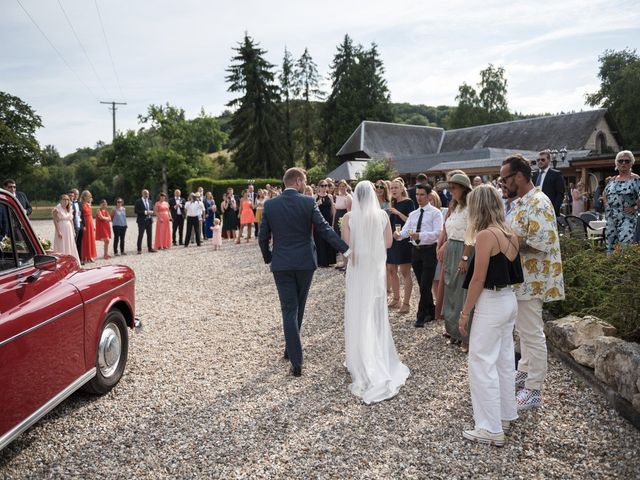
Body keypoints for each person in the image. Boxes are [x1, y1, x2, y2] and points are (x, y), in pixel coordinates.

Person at [258, 168, 350, 377]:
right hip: (305, 263)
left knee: (289, 309)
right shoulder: (308, 202)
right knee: (297, 307)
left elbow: (262, 237)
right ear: (298, 181)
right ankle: (296, 361)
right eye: (306, 181)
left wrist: (269, 257)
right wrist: (347, 249)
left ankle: (291, 350)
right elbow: (325, 229)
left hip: (282, 264)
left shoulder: (270, 205)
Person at [458, 185, 524, 447]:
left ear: (478, 207)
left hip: (492, 301)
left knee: (481, 362)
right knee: (504, 360)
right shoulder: (510, 233)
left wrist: (465, 312)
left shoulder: (486, 235)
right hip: (509, 300)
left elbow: (478, 278)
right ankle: (505, 414)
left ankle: (489, 427)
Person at [500, 154, 565, 410]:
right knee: (523, 334)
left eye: (505, 179)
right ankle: (524, 372)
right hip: (521, 281)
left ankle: (534, 389)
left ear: (518, 176)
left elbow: (541, 243)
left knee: (532, 334)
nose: (502, 184)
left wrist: (504, 241)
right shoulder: (521, 203)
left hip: (532, 281)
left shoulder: (538, 202)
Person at [342, 181, 410, 403]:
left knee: (358, 309)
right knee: (374, 310)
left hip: (358, 269)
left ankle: (358, 358)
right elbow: (389, 243)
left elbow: (346, 247)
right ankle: (377, 354)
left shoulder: (348, 218)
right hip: (374, 270)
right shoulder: (382, 216)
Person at [394, 184, 443, 327]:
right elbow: (404, 231)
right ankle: (431, 310)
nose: (419, 197)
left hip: (429, 250)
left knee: (425, 285)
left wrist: (420, 236)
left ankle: (420, 316)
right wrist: (398, 235)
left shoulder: (435, 213)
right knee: (422, 284)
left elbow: (438, 233)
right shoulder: (413, 214)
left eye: (422, 194)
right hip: (415, 252)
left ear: (428, 196)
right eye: (417, 194)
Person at [439, 173, 474, 352]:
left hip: (464, 249)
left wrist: (465, 257)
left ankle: (466, 337)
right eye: (449, 187)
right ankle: (453, 331)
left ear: (464, 188)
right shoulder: (455, 206)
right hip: (452, 248)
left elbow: (471, 233)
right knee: (450, 290)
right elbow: (450, 231)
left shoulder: (471, 208)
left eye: (454, 187)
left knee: (463, 292)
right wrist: (444, 246)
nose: (450, 190)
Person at [385, 179, 414, 314]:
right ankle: (396, 299)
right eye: (391, 188)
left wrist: (397, 213)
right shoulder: (393, 203)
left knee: (405, 271)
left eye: (396, 187)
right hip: (392, 239)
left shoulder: (409, 202)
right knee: (391, 269)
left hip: (403, 239)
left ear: (402, 189)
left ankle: (406, 303)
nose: (394, 190)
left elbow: (411, 221)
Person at [603, 150, 640, 252]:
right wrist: (606, 205)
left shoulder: (635, 179)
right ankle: (610, 266)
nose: (623, 163)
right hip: (611, 217)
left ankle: (624, 266)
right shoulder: (612, 180)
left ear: (631, 163)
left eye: (627, 161)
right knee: (610, 245)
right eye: (620, 161)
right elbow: (604, 194)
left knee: (625, 244)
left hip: (627, 216)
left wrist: (636, 208)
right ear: (616, 163)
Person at [532, 150, 565, 216]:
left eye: (543, 160)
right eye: (538, 160)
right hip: (535, 210)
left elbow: (560, 194)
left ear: (549, 161)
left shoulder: (556, 174)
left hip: (550, 211)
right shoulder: (534, 175)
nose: (540, 161)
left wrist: (554, 210)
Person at [51, 193, 80, 264]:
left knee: (70, 244)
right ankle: (62, 262)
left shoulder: (69, 209)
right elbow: (55, 221)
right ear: (60, 200)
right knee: (62, 244)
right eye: (64, 199)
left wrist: (73, 230)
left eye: (67, 199)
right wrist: (58, 231)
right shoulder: (57, 209)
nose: (66, 201)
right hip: (62, 228)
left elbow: (71, 220)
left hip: (69, 229)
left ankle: (71, 261)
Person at [314, 180, 337, 267]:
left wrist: (333, 222)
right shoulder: (315, 196)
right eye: (322, 185)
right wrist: (317, 204)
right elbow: (311, 209)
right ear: (319, 186)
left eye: (326, 185)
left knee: (328, 238)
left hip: (328, 219)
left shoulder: (330, 196)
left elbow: (333, 210)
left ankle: (329, 260)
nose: (324, 187)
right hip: (318, 220)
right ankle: (320, 261)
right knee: (319, 240)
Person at [333, 180, 352, 270]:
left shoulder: (348, 197)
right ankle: (343, 262)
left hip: (344, 218)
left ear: (346, 187)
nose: (342, 188)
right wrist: (333, 223)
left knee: (345, 240)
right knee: (339, 240)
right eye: (340, 186)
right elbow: (335, 211)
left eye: (343, 186)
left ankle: (348, 263)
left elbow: (349, 212)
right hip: (337, 218)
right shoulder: (337, 197)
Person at [134, 189, 156, 254]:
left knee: (150, 235)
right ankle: (139, 249)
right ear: (142, 194)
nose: (147, 195)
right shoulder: (138, 201)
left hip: (149, 220)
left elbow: (152, 209)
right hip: (141, 221)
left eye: (148, 194)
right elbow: (136, 211)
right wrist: (145, 212)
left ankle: (150, 248)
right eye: (145, 194)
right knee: (140, 235)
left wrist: (151, 212)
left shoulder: (150, 201)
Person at [79, 190, 97, 264]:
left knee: (91, 239)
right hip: (85, 222)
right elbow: (80, 215)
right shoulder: (81, 204)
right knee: (85, 240)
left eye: (89, 196)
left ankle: (90, 256)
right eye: (87, 196)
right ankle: (84, 257)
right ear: (83, 196)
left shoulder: (89, 204)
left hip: (90, 222)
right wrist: (82, 225)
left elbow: (91, 215)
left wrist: (93, 225)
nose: (88, 197)